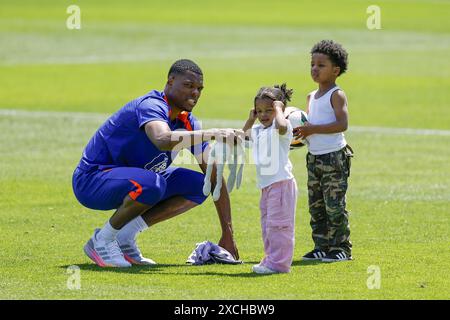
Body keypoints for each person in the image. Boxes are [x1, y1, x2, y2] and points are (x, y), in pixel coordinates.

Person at [72, 59, 239, 267]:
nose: (195, 93)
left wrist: (228, 234)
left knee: (199, 186)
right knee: (152, 183)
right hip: (92, 181)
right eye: (188, 85)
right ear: (170, 81)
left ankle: (125, 237)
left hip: (137, 181)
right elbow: (162, 140)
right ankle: (102, 240)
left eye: (199, 88)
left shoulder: (188, 121)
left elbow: (213, 175)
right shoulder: (152, 105)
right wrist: (213, 133)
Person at [294, 40, 353, 262]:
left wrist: (312, 129)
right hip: (314, 158)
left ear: (335, 71)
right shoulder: (311, 96)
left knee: (334, 206)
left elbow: (342, 124)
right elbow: (309, 125)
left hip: (334, 158)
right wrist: (299, 134)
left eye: (321, 65)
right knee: (316, 206)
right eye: (312, 64)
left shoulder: (337, 95)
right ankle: (321, 245)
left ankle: (341, 248)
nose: (314, 69)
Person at [242, 83, 298, 274]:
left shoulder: (281, 126)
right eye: (259, 111)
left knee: (279, 225)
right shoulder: (258, 130)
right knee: (267, 225)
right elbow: (243, 137)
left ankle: (279, 264)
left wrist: (279, 110)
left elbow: (282, 126)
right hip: (266, 186)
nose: (263, 115)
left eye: (268, 110)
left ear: (278, 109)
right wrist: (250, 120)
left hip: (281, 184)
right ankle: (270, 259)